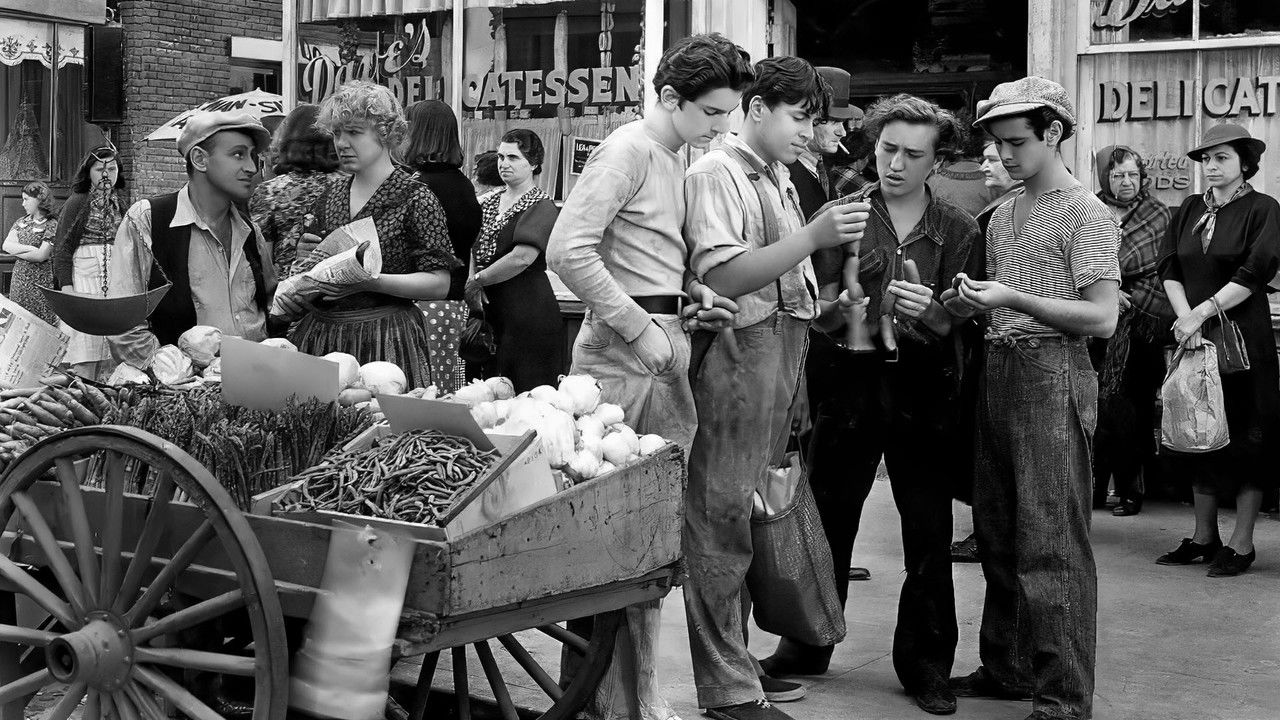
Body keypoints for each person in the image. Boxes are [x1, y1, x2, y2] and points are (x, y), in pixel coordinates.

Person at [547, 32, 753, 720]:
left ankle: (626, 699)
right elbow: (567, 249)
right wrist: (641, 326)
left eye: (728, 112)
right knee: (619, 539)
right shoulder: (629, 149)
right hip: (621, 358)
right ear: (670, 96)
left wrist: (691, 292)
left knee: (645, 543)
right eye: (713, 112)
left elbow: (646, 254)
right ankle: (611, 703)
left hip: (659, 347)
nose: (722, 126)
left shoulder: (674, 152)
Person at [762, 94, 978, 717]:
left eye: (913, 154)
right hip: (849, 381)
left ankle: (927, 664)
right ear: (873, 145)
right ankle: (807, 644)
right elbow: (814, 307)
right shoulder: (842, 216)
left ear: (937, 161)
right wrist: (839, 310)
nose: (897, 164)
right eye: (887, 149)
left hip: (925, 386)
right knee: (829, 519)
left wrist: (932, 312)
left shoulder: (960, 229)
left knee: (929, 531)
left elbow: (964, 321)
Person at [682, 56, 869, 720]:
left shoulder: (782, 176)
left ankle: (738, 666)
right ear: (756, 109)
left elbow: (788, 290)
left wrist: (834, 310)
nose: (808, 132)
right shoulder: (715, 173)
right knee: (720, 524)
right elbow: (724, 277)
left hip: (782, 361)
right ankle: (728, 690)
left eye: (814, 121)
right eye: (799, 117)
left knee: (749, 518)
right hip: (735, 364)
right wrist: (815, 236)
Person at [943, 77, 1119, 720]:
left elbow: (1102, 318)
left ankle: (1064, 697)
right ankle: (1009, 667)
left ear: (1055, 133)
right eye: (998, 143)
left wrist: (1012, 299)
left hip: (1053, 372)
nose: (1006, 154)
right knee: (997, 534)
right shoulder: (1003, 214)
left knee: (1052, 542)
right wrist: (966, 303)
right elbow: (999, 303)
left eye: (1017, 141)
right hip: (1000, 366)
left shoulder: (1086, 212)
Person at [1154, 124, 1280, 577]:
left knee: (1247, 434)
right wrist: (1186, 319)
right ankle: (1204, 538)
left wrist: (1201, 313)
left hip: (1242, 340)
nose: (1210, 165)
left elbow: (1254, 271)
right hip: (1194, 337)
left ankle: (1241, 544)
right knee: (1197, 429)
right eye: (1206, 158)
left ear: (1245, 162)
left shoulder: (1263, 209)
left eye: (1221, 157)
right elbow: (1169, 266)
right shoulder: (1189, 208)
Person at [275, 81, 459, 390]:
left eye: (354, 132)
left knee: (381, 417)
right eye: (337, 133)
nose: (342, 143)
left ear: (387, 134)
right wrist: (302, 275)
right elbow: (311, 270)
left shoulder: (415, 198)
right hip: (323, 336)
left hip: (386, 338)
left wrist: (371, 281)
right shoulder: (330, 194)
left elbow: (439, 283)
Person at [110, 112, 276, 363]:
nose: (252, 168)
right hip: (186, 384)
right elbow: (123, 324)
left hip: (257, 375)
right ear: (200, 159)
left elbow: (270, 305)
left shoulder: (250, 231)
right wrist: (172, 370)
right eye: (238, 154)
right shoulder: (149, 219)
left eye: (253, 156)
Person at [950, 139, 1026, 564]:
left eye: (993, 159)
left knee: (994, 447)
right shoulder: (998, 209)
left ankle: (994, 534)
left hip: (1004, 340)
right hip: (988, 338)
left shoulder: (1014, 211)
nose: (984, 166)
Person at [1090, 146, 1172, 517]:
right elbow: (1077, 261)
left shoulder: (1157, 213)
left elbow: (1162, 267)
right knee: (1098, 408)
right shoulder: (1089, 209)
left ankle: (1131, 490)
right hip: (1097, 324)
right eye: (1118, 174)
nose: (1127, 182)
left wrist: (1125, 293)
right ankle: (1095, 489)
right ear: (1104, 176)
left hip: (1143, 327)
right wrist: (1108, 290)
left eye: (1133, 175)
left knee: (1133, 410)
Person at [466, 129, 562, 391]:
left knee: (526, 394)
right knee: (484, 393)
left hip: (527, 311)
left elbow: (522, 258)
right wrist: (473, 279)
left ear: (533, 163)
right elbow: (472, 247)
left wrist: (478, 280)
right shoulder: (487, 202)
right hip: (488, 311)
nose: (504, 163)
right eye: (501, 157)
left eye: (513, 157)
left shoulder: (542, 205)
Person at [406, 99, 483, 393]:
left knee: (419, 392)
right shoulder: (464, 185)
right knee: (446, 390)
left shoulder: (417, 187)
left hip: (420, 305)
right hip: (454, 306)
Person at [52, 145, 128, 380]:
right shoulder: (78, 202)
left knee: (109, 358)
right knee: (85, 354)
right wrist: (67, 290)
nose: (106, 174)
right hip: (84, 282)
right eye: (99, 169)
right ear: (88, 172)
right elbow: (62, 249)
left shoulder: (119, 203)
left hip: (111, 283)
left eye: (112, 169)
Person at [249, 103, 342, 279]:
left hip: (288, 287)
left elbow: (262, 261)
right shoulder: (346, 185)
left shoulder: (269, 192)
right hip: (338, 284)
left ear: (289, 140)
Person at [786, 66, 853, 218]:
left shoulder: (821, 167)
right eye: (834, 122)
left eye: (843, 123)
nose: (842, 133)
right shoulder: (783, 171)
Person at [2, 181, 59, 326]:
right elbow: (6, 245)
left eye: (26, 199)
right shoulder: (21, 222)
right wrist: (32, 249)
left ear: (39, 199)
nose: (23, 204)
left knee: (40, 325)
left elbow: (41, 256)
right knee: (16, 324)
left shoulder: (51, 224)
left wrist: (18, 250)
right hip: (19, 282)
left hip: (40, 284)